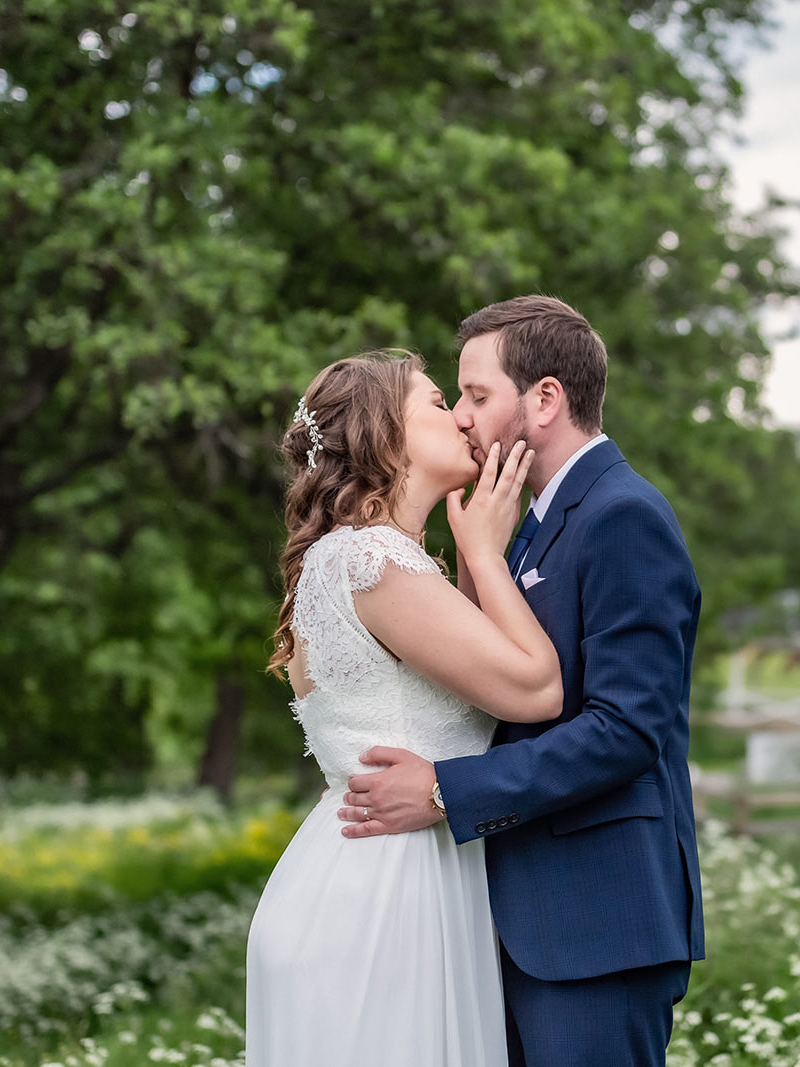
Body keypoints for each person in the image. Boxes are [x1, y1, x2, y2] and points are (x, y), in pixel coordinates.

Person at [337, 296, 705, 1067]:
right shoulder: (523, 521)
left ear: (545, 398)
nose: (464, 417)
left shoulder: (622, 514)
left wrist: (446, 789)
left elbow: (626, 730)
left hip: (595, 925)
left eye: (476, 395)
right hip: (500, 922)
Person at [246, 351, 562, 1064]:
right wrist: (484, 552)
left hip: (363, 870)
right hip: (385, 895)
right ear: (383, 434)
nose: (458, 415)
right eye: (433, 402)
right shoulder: (374, 561)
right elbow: (538, 691)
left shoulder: (357, 559)